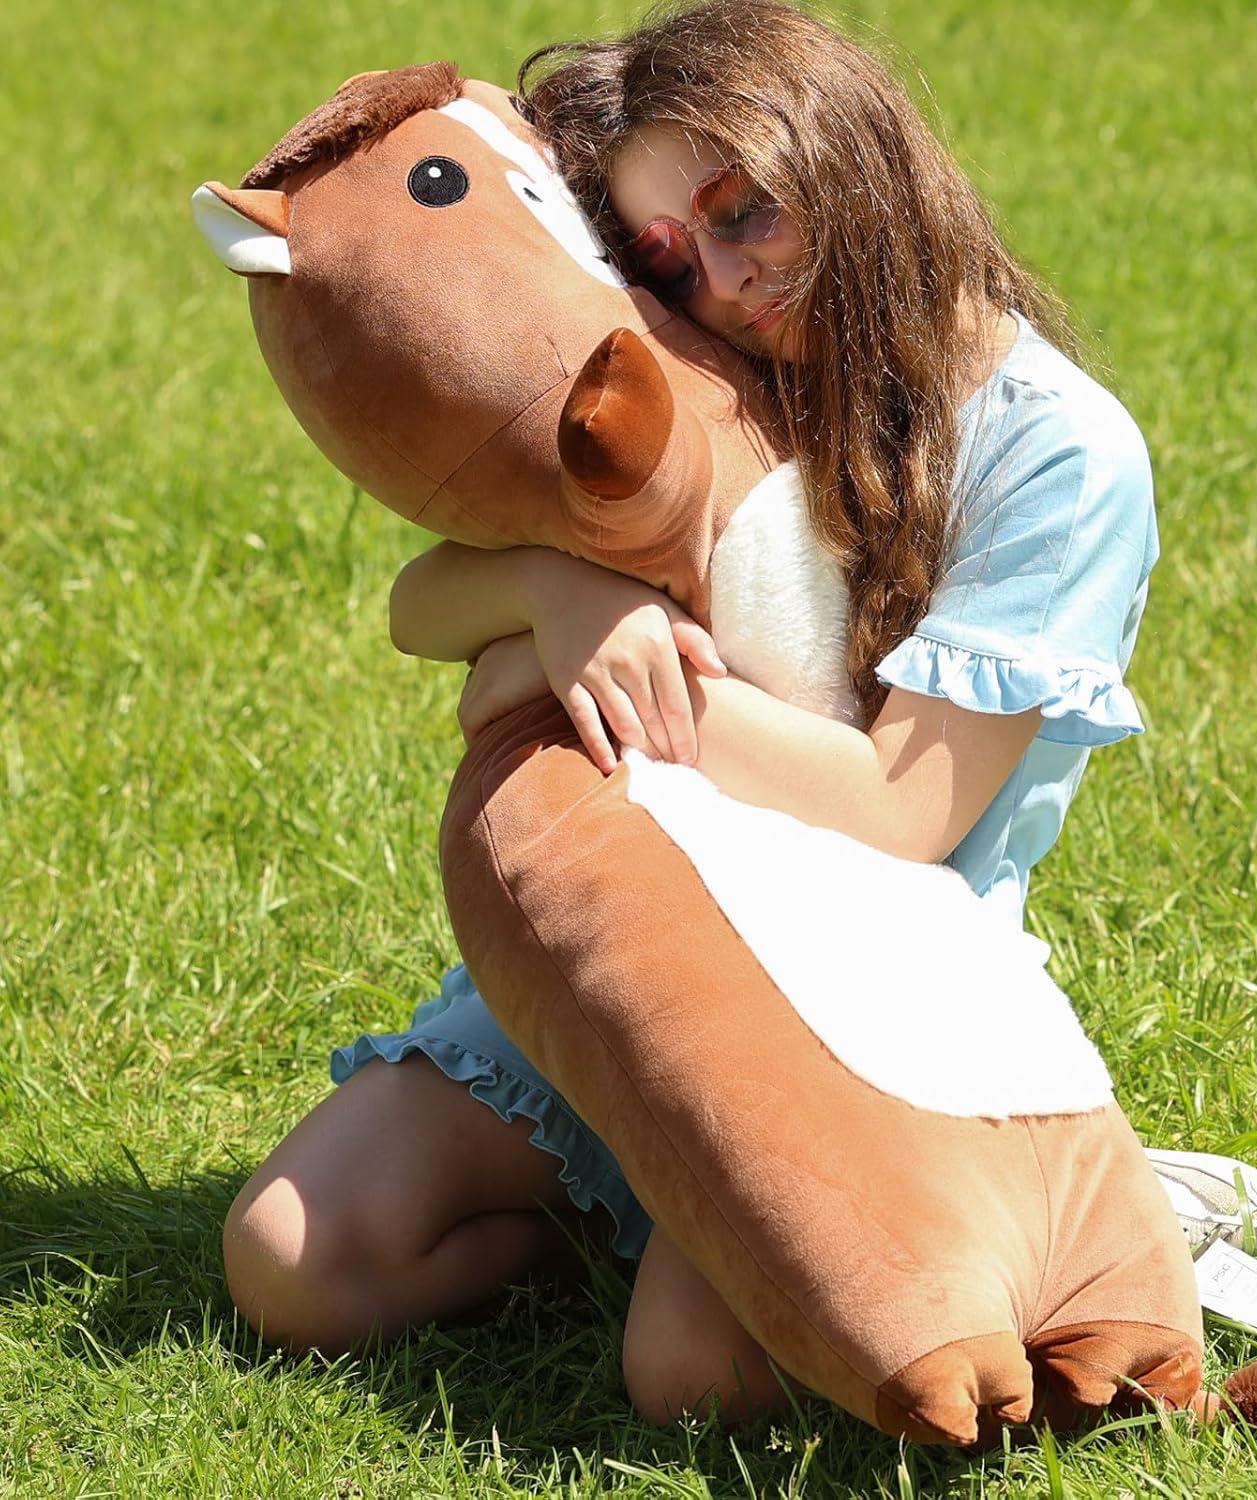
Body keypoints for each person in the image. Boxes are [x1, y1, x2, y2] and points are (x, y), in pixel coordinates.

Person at [222, 0, 1164, 1427]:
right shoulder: (717, 368)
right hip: (629, 925)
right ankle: (632, 1209)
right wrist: (556, 594)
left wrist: (549, 674)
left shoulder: (1060, 452)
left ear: (850, 149)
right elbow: (420, 609)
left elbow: (902, 813)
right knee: (295, 1263)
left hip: (869, 989)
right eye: (671, 255)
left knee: (699, 1380)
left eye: (745, 210)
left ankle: (827, 1220)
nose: (726, 278)